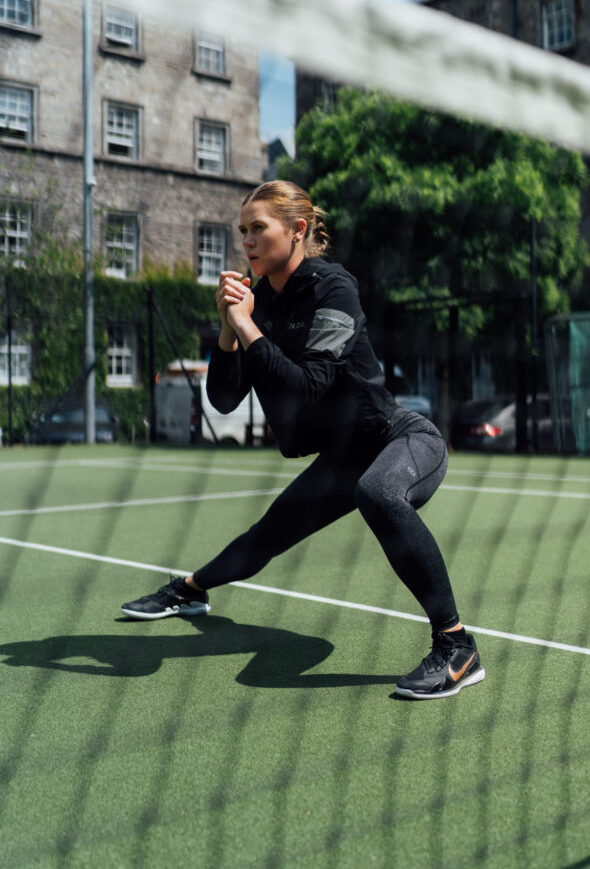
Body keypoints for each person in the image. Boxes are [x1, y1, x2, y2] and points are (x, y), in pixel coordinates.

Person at [122, 180, 485, 700]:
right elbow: (223, 400)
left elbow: (310, 389)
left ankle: (457, 647)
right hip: (342, 458)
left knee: (378, 493)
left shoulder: (333, 288)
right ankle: (188, 591)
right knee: (265, 536)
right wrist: (229, 328)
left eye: (258, 229)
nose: (246, 240)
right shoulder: (257, 302)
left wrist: (247, 327)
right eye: (241, 230)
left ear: (296, 230)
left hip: (400, 441)